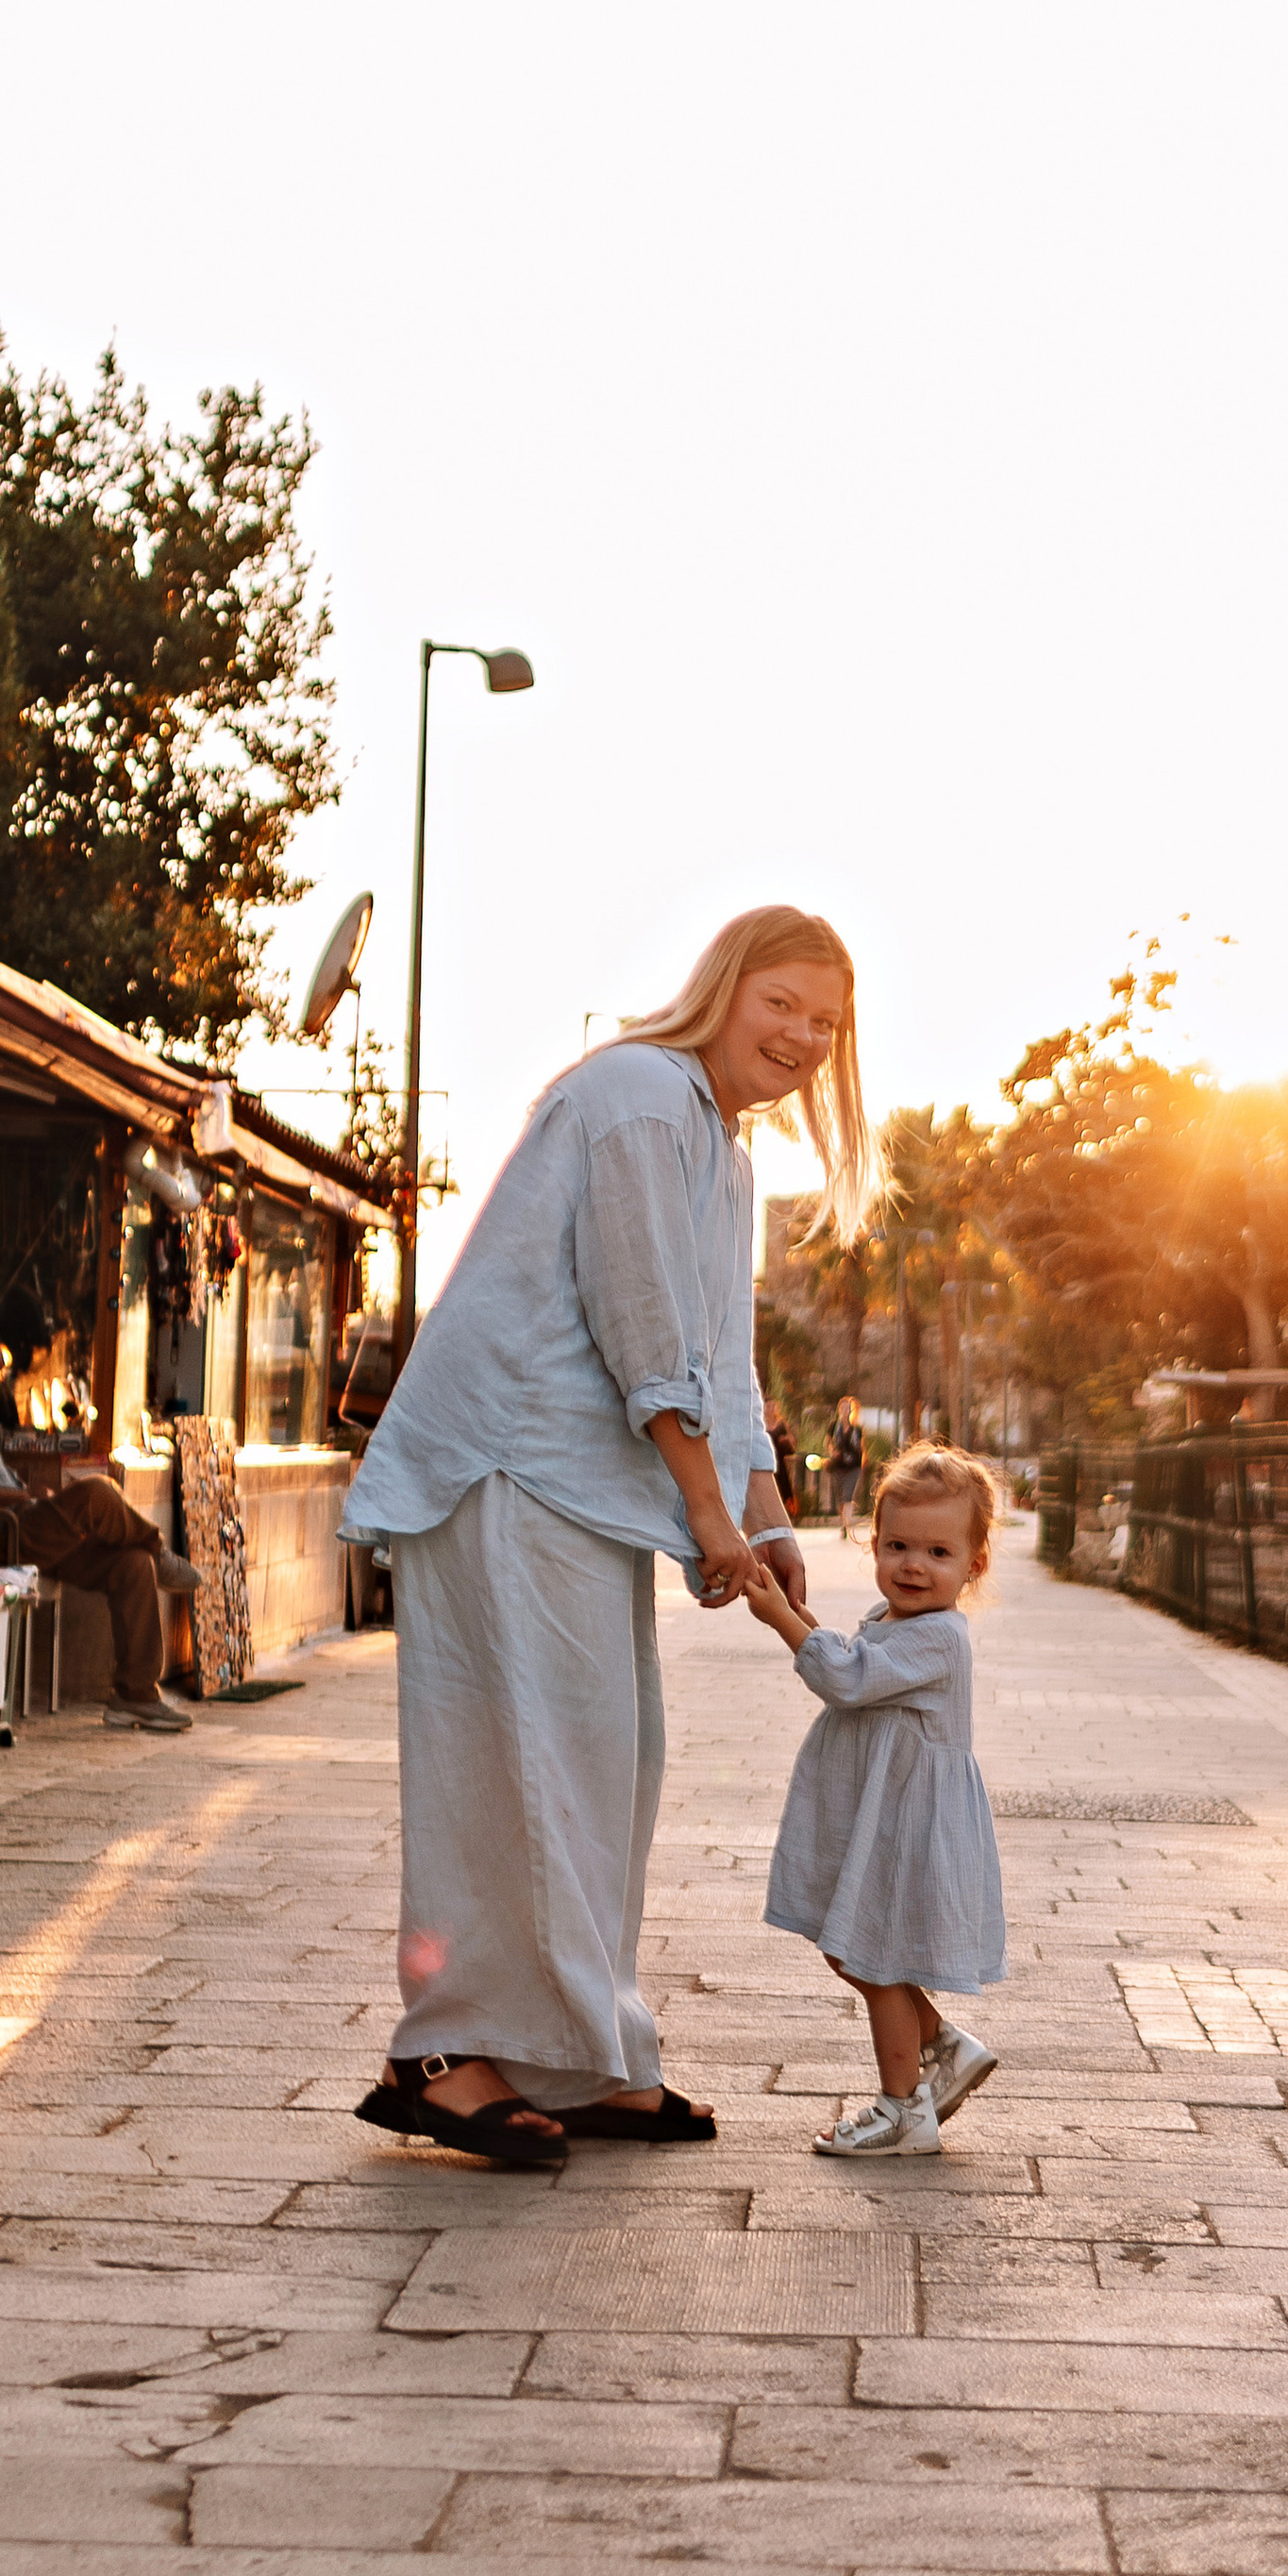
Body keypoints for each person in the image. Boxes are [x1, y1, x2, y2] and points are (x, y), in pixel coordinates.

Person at [343, 904, 877, 2171]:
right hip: (505, 1465)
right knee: (515, 1766)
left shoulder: (725, 1150)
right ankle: (442, 2052)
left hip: (572, 1485)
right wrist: (703, 1508)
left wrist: (765, 1507)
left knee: (600, 1768)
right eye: (783, 1004)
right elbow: (640, 1322)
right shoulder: (638, 1093)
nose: (802, 1036)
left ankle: (573, 2058)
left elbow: (715, 1350)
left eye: (827, 1023)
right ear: (728, 987)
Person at [741, 1440, 1005, 2155]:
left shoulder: (942, 1638)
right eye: (897, 1545)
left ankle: (902, 2109)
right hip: (881, 1820)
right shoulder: (892, 1620)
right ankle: (943, 2046)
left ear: (972, 1565)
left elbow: (850, 1680)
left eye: (938, 1553)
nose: (913, 1565)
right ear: (874, 1543)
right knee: (849, 1952)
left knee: (877, 1960)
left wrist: (783, 1620)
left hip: (909, 1826)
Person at [0, 1325, 202, 1736]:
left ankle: (136, 1695)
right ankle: (159, 1549)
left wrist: (30, 1497)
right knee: (96, 1494)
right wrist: (20, 1497)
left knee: (133, 1563)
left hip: (24, 1526)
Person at [828, 1393, 866, 1539]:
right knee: (840, 1499)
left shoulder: (857, 1429)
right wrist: (833, 1452)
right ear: (839, 1410)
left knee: (848, 1496)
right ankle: (842, 1522)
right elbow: (828, 1442)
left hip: (854, 1466)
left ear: (852, 1411)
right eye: (843, 1408)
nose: (846, 1411)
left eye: (848, 1408)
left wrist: (863, 1461)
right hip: (838, 1465)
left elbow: (861, 1447)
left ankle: (846, 1525)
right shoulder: (833, 1427)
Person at [763, 1391, 801, 1522]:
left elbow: (792, 1445)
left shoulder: (782, 1424)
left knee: (783, 1488)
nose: (770, 1408)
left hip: (780, 1461)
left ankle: (784, 1516)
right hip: (765, 1461)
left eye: (773, 1406)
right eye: (768, 1406)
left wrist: (787, 1440)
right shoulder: (761, 1424)